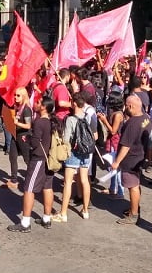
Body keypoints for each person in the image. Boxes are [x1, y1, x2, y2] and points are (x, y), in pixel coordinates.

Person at [7, 96, 58, 232]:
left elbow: (35, 142)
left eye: (38, 102)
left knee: (29, 188)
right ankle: (46, 219)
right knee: (47, 187)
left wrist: (28, 139)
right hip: (50, 158)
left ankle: (25, 222)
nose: (35, 103)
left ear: (43, 107)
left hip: (39, 159)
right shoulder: (52, 121)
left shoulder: (39, 122)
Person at [52, 93, 96, 222]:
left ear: (75, 103)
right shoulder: (88, 117)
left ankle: (63, 213)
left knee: (68, 182)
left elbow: (66, 138)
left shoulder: (71, 119)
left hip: (74, 152)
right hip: (86, 151)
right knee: (84, 180)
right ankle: (85, 210)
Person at [112, 95, 152, 224]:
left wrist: (117, 161)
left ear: (130, 106)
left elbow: (126, 145)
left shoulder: (132, 124)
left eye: (126, 106)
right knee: (136, 184)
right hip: (140, 156)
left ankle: (133, 215)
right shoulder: (145, 118)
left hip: (131, 159)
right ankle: (135, 208)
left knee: (132, 186)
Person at [6, 87, 32, 189]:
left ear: (23, 96)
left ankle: (31, 179)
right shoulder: (18, 107)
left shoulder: (26, 109)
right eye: (15, 95)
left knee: (27, 159)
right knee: (12, 156)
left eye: (18, 95)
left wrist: (17, 123)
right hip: (15, 134)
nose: (15, 97)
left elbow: (28, 126)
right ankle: (14, 179)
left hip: (23, 136)